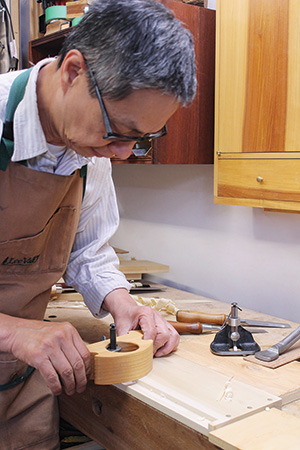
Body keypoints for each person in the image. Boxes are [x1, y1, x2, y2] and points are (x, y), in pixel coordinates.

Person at [0, 0, 196, 447]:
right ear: (73, 71)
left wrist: (122, 303)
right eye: (119, 131)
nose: (124, 153)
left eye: (141, 139)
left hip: (21, 384)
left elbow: (86, 250)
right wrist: (13, 331)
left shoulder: (90, 149)